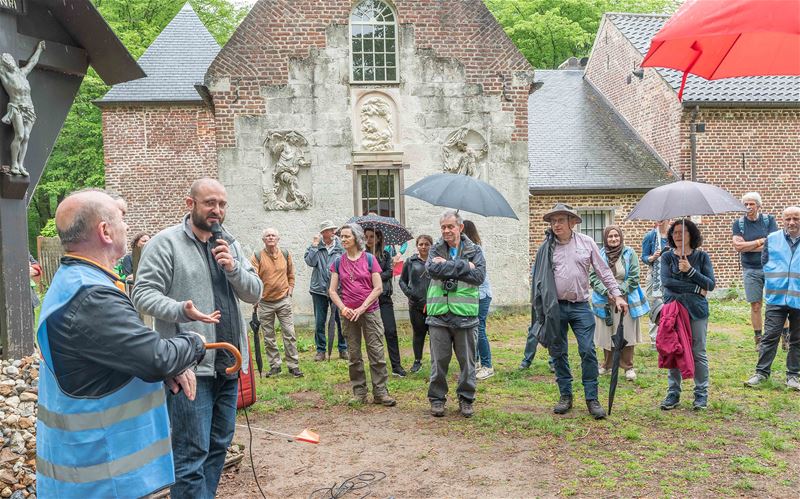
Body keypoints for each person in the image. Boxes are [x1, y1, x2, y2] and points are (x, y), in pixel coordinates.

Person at [36, 189, 205, 498]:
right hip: (100, 476)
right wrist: (193, 342)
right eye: (122, 219)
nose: (127, 227)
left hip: (91, 472)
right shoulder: (92, 297)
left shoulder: (79, 282)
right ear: (104, 231)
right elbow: (156, 358)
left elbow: (122, 353)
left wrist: (165, 363)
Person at [132, 178, 262, 499]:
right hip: (190, 368)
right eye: (209, 203)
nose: (217, 210)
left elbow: (254, 292)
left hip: (229, 365)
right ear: (190, 204)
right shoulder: (165, 243)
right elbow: (142, 295)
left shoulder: (230, 244)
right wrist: (181, 310)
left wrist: (234, 269)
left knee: (218, 446)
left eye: (222, 204)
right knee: (190, 455)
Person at [541, 203, 628, 420]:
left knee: (587, 350)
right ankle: (565, 396)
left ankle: (592, 398)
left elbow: (604, 271)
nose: (556, 224)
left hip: (580, 306)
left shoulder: (586, 243)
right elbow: (539, 279)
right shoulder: (547, 247)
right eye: (553, 221)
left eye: (560, 220)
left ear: (572, 222)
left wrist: (616, 294)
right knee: (558, 351)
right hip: (555, 308)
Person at [425, 210, 486, 418]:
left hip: (465, 315)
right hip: (439, 314)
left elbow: (478, 275)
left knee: (467, 363)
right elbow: (432, 270)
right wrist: (463, 266)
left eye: (450, 226)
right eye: (443, 227)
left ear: (460, 227)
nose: (446, 231)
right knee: (438, 361)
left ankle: (466, 399)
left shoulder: (474, 250)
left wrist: (449, 265)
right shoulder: (435, 248)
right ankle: (437, 399)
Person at [328, 223, 396, 406]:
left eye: (346, 236)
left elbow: (378, 288)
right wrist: (343, 308)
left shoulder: (369, 259)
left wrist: (362, 308)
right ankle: (359, 392)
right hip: (348, 315)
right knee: (354, 354)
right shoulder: (337, 262)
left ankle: (380, 391)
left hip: (370, 312)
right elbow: (332, 291)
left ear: (356, 238)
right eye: (341, 237)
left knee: (376, 352)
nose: (343, 239)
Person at [659, 219, 715, 411]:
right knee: (673, 349)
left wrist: (690, 270)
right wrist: (696, 288)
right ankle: (673, 393)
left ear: (691, 234)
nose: (677, 235)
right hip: (673, 310)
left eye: (682, 232)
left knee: (698, 351)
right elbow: (667, 283)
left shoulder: (702, 257)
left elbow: (710, 285)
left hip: (697, 311)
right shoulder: (667, 257)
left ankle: (701, 394)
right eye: (674, 232)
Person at [744, 206, 800, 390]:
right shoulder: (773, 239)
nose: (791, 222)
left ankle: (793, 376)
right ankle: (761, 373)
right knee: (769, 337)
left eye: (795, 218)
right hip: (776, 297)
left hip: (798, 298)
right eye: (788, 219)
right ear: (782, 220)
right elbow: (765, 262)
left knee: (797, 340)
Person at [590, 226, 649, 381]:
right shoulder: (599, 254)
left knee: (626, 331)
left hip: (625, 298)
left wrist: (619, 293)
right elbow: (593, 277)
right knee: (607, 331)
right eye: (610, 236)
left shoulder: (630, 253)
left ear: (621, 237)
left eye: (616, 236)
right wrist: (607, 292)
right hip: (605, 298)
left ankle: (628, 366)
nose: (614, 239)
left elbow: (634, 276)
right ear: (605, 238)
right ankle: (607, 365)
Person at [250, 228, 303, 378]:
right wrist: (255, 298)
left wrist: (290, 290)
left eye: (273, 235)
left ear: (278, 239)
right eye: (267, 236)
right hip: (265, 302)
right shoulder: (257, 256)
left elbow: (291, 274)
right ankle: (275, 366)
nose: (271, 238)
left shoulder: (285, 254)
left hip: (283, 300)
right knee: (268, 336)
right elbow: (253, 278)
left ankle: (293, 366)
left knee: (289, 333)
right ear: (263, 240)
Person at [732, 192, 779, 348]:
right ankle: (759, 339)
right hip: (750, 269)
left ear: (758, 206)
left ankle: (785, 336)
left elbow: (773, 245)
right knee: (756, 305)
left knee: (778, 302)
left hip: (771, 268)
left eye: (751, 204)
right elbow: (738, 247)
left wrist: (749, 245)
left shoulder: (769, 221)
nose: (748, 207)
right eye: (745, 204)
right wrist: (760, 241)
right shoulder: (738, 224)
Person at [365, 227, 406, 377]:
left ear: (379, 239)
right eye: (366, 237)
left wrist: (374, 276)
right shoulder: (362, 256)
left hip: (384, 297)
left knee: (390, 331)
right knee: (373, 335)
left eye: (371, 237)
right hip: (368, 299)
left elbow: (390, 272)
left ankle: (396, 366)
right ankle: (377, 367)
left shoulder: (386, 255)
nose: (368, 240)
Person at [0, 40, 45, 176]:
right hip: (16, 107)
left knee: (26, 136)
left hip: (29, 108)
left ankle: (21, 164)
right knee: (19, 135)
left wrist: (39, 49)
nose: (10, 62)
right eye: (6, 60)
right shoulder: (4, 75)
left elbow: (32, 62)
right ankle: (14, 164)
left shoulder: (22, 73)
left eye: (11, 59)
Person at [305, 220, 347, 361]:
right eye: (330, 230)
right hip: (319, 289)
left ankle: (343, 348)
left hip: (338, 289)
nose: (333, 232)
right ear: (323, 233)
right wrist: (314, 246)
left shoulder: (341, 247)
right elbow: (310, 262)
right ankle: (321, 350)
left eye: (333, 229)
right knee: (320, 321)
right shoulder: (316, 246)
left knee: (340, 320)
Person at [462, 220, 494, 380]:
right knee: (471, 329)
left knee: (479, 328)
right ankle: (474, 363)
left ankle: (487, 365)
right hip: (471, 294)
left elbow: (475, 273)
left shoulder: (475, 249)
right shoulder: (464, 250)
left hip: (481, 294)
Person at [399, 234, 433, 374]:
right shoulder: (410, 261)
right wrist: (410, 293)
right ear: (417, 246)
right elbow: (402, 281)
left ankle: (436, 361)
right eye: (421, 244)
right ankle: (417, 361)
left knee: (435, 334)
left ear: (431, 245)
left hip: (433, 305)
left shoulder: (435, 262)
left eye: (426, 244)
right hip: (415, 305)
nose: (423, 247)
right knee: (418, 334)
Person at [641, 219, 671, 344]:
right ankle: (654, 339)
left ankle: (668, 335)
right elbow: (644, 256)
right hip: (654, 275)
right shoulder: (650, 236)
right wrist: (653, 257)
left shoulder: (674, 235)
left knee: (670, 305)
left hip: (670, 275)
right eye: (657, 219)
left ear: (669, 220)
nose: (659, 221)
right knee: (655, 305)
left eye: (662, 219)